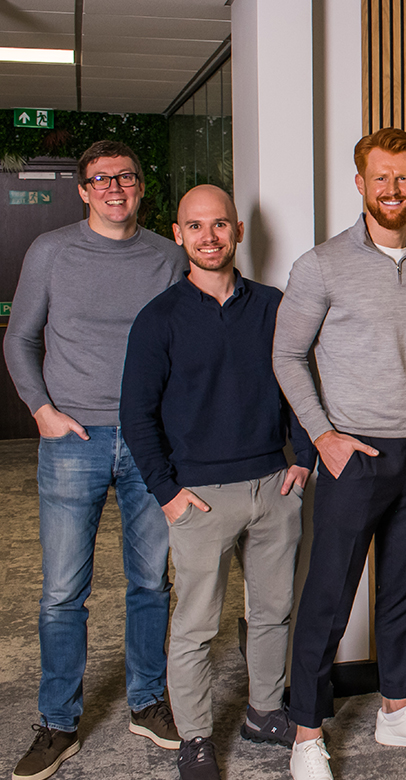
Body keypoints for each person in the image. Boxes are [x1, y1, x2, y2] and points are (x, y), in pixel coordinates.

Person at [273, 127, 406, 780]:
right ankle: (305, 735)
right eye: (380, 177)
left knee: (403, 592)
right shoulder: (321, 265)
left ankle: (396, 709)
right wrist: (323, 436)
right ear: (360, 183)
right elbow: (286, 355)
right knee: (328, 598)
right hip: (354, 457)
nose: (392, 188)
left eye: (403, 177)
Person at [119, 185, 317, 780]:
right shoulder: (158, 319)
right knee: (196, 627)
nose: (209, 236)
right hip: (199, 497)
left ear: (237, 231)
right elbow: (137, 415)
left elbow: (299, 383)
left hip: (274, 485)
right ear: (179, 234)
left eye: (220, 224)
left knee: (273, 611)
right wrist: (167, 493)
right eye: (196, 226)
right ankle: (196, 739)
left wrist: (303, 458)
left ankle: (264, 712)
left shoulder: (273, 306)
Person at [4, 140, 186, 779]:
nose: (114, 188)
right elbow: (20, 337)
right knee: (62, 591)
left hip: (148, 442)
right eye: (101, 179)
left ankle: (148, 701)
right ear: (83, 191)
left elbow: (186, 344)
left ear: (141, 187)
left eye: (125, 177)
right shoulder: (51, 251)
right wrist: (41, 410)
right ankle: (57, 722)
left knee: (150, 582)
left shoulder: (168, 257)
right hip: (71, 439)